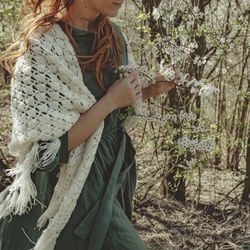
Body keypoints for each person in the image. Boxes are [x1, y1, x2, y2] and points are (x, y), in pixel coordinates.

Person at [0, 0, 177, 249]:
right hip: (69, 186)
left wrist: (149, 90)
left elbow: (115, 112)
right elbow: (45, 156)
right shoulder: (42, 49)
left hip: (111, 176)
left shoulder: (113, 37)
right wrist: (110, 102)